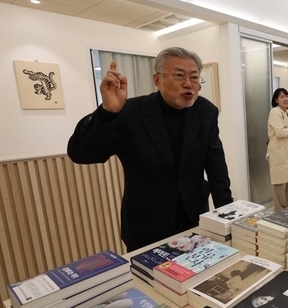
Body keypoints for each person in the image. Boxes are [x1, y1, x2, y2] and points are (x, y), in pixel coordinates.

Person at [67, 47, 233, 252]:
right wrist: (107, 112)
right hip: (146, 225)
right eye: (179, 75)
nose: (188, 84)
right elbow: (82, 154)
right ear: (157, 79)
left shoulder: (205, 112)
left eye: (194, 77)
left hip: (194, 219)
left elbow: (217, 167)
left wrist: (229, 217)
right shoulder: (131, 112)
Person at [267, 88, 288, 211]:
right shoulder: (274, 112)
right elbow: (280, 132)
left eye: (287, 96)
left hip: (287, 151)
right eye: (282, 97)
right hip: (277, 151)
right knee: (280, 183)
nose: (285, 99)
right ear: (276, 100)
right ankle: (280, 210)